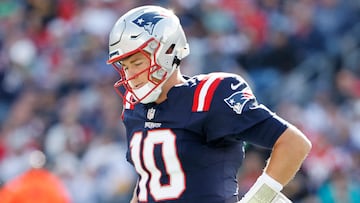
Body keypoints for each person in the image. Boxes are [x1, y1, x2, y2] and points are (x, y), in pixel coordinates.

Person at [106, 5, 312, 203]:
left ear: (167, 51)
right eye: (124, 66)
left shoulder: (208, 96)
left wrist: (257, 199)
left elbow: (293, 144)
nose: (130, 75)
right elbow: (149, 180)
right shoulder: (134, 107)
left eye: (137, 63)